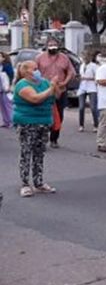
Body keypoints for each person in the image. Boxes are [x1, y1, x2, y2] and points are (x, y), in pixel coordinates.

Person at [13, 61, 58, 197]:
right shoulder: (22, 85)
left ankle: (38, 182)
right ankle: (25, 184)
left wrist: (55, 87)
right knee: (27, 152)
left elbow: (55, 97)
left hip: (43, 122)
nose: (38, 71)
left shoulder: (43, 82)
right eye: (35, 69)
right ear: (26, 71)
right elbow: (35, 98)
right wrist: (50, 89)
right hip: (27, 122)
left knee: (39, 153)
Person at [35, 37, 75, 148]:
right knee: (44, 114)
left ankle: (54, 139)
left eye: (55, 44)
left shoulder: (64, 58)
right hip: (44, 90)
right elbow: (34, 73)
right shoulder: (39, 58)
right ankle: (43, 137)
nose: (52, 46)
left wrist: (65, 82)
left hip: (60, 90)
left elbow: (71, 72)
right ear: (46, 46)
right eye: (50, 44)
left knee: (59, 115)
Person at [77, 50, 100, 133]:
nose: (85, 58)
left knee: (93, 108)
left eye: (86, 57)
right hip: (83, 87)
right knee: (81, 107)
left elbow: (97, 78)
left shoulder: (94, 66)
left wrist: (87, 78)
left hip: (92, 87)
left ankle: (96, 125)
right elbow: (81, 75)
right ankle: (81, 125)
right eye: (83, 57)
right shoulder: (82, 66)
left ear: (90, 57)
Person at [0, 57, 11, 128]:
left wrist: (7, 87)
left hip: (3, 89)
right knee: (2, 107)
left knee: (6, 106)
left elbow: (8, 76)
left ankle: (10, 121)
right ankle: (5, 121)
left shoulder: (6, 66)